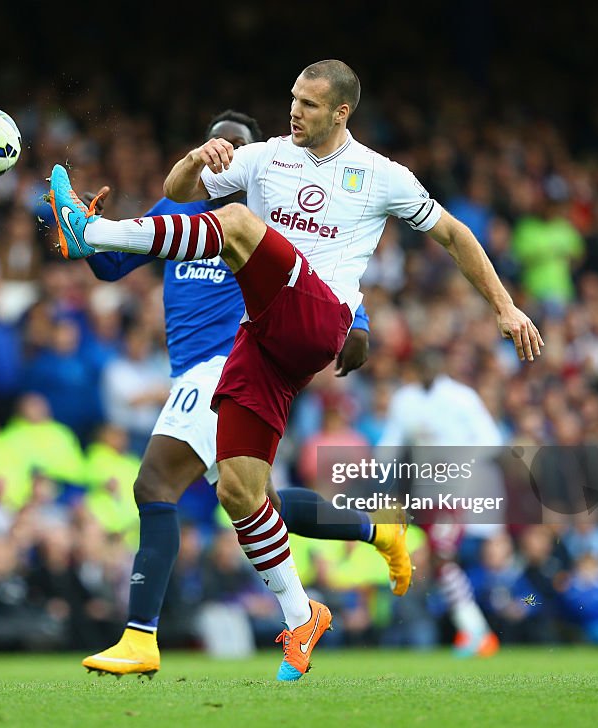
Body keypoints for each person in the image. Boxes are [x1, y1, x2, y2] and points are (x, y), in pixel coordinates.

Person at [50, 60, 542, 680]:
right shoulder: (263, 159)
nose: (295, 111)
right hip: (261, 342)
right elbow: (175, 193)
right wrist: (197, 161)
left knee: (234, 226)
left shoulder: (382, 176)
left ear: (341, 112)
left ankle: (87, 228)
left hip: (315, 320)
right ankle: (299, 613)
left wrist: (505, 307)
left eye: (309, 104)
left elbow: (453, 234)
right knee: (241, 491)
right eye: (292, 99)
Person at [76, 111, 402, 679]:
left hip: (227, 365)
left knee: (155, 483)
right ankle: (377, 529)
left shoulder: (266, 223)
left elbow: (325, 281)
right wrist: (90, 224)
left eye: (238, 149)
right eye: (217, 145)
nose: (225, 156)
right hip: (188, 374)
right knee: (257, 503)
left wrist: (361, 324)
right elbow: (107, 266)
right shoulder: (174, 209)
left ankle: (140, 637)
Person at [377, 348, 505, 657]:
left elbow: (491, 440)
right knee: (437, 561)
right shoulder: (405, 400)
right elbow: (390, 445)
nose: (427, 371)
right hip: (425, 495)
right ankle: (473, 630)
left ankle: (476, 632)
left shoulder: (462, 398)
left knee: (444, 558)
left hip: (459, 492)